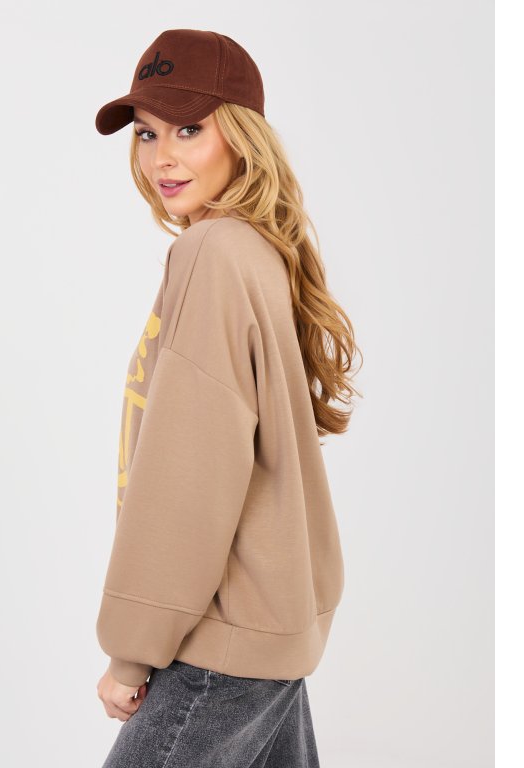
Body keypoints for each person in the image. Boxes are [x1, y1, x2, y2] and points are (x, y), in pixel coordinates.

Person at [92, 28, 362, 768]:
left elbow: (188, 477)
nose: (161, 157)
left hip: (221, 640)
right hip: (268, 629)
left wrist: (130, 652)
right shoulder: (252, 248)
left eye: (189, 129)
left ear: (242, 137)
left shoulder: (212, 253)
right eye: (147, 133)